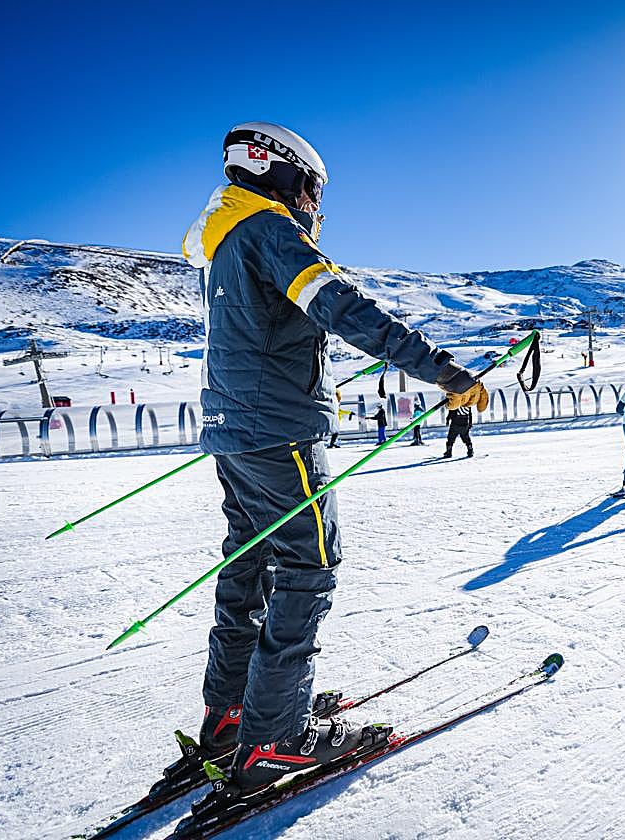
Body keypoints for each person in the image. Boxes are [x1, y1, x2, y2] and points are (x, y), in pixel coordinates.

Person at [182, 121, 489, 794]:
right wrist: (442, 371)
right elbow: (340, 306)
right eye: (315, 189)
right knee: (308, 563)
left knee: (249, 560)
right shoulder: (270, 231)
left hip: (235, 430)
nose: (317, 206)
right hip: (279, 435)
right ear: (284, 174)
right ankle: (277, 737)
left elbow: (269, 336)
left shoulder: (228, 238)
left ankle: (232, 712)